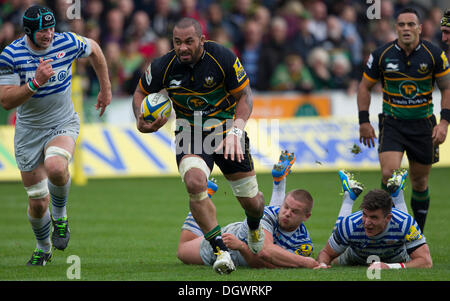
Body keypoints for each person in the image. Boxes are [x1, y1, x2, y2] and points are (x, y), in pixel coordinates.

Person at [132, 17, 265, 274]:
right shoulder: (163, 66)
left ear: (202, 40)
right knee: (194, 182)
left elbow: (245, 95)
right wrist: (140, 117)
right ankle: (219, 250)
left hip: (227, 131)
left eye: (189, 42)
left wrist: (236, 132)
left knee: (252, 202)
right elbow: (140, 92)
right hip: (190, 132)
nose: (182, 48)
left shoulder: (223, 57)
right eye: (177, 42)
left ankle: (254, 224)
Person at [0, 5, 111, 265]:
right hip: (28, 132)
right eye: (42, 31)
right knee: (38, 202)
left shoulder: (67, 41)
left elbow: (94, 48)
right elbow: (5, 101)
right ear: (28, 31)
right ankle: (43, 248)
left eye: (51, 28)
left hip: (62, 122)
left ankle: (60, 218)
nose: (49, 34)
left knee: (56, 166)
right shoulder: (10, 55)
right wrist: (35, 82)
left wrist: (105, 89)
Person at [357, 7, 450, 232]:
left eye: (411, 24)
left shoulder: (435, 54)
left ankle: (417, 234)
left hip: (423, 125)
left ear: (420, 28)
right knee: (389, 175)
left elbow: (447, 88)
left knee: (420, 183)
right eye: (401, 25)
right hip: (392, 123)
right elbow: (364, 87)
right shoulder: (381, 54)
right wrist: (364, 121)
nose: (406, 29)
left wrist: (444, 122)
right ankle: (385, 230)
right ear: (395, 28)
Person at [177, 151, 319, 273]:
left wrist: (242, 247)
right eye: (286, 207)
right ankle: (203, 196)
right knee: (182, 250)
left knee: (271, 218)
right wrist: (306, 262)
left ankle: (279, 183)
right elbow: (265, 253)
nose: (287, 213)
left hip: (238, 243)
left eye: (294, 211)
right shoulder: (270, 213)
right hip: (230, 238)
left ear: (306, 217)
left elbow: (270, 265)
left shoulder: (304, 244)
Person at [316, 170, 432, 269]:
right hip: (355, 257)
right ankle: (349, 198)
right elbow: (326, 253)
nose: (367, 222)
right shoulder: (350, 224)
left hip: (395, 257)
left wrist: (390, 267)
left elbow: (426, 261)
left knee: (404, 226)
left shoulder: (405, 223)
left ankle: (397, 196)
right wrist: (322, 264)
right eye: (365, 215)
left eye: (374, 217)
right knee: (336, 247)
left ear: (388, 218)